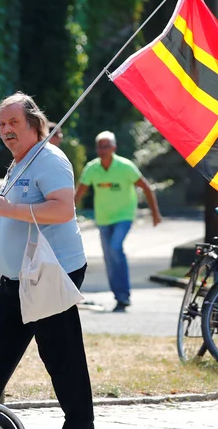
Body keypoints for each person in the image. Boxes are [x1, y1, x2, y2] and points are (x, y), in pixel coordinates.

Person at [0, 92, 94, 429]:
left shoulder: (49, 159)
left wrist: (9, 210)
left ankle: (80, 424)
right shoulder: (21, 160)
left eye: (14, 122)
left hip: (48, 275)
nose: (6, 129)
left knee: (61, 358)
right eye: (2, 124)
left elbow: (63, 209)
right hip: (16, 281)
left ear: (35, 125)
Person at [74, 130, 162, 312]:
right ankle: (120, 298)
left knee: (115, 248)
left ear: (114, 147)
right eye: (100, 146)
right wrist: (67, 215)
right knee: (109, 258)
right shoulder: (92, 168)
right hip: (104, 218)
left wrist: (155, 213)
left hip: (124, 216)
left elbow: (146, 187)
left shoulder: (125, 166)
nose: (102, 150)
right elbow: (79, 193)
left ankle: (124, 294)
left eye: (106, 146)